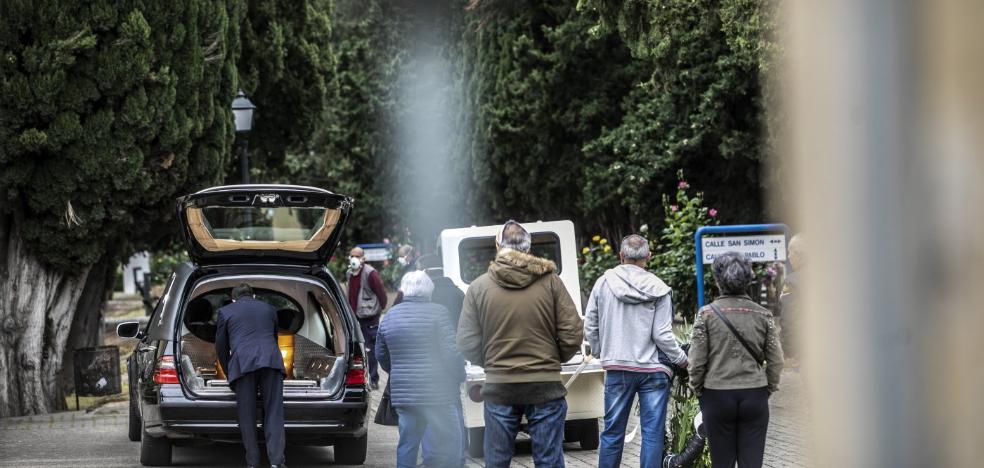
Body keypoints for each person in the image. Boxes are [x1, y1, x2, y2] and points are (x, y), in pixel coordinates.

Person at [457, 220, 583, 468]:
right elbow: (572, 332)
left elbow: (466, 341)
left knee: (497, 461)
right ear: (529, 247)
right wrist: (552, 360)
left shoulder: (479, 287)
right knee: (549, 461)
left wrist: (492, 362)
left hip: (500, 388)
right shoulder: (551, 282)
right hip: (545, 387)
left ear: (498, 246)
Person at [584, 234, 688, 468]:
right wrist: (682, 360)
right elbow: (662, 335)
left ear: (621, 256)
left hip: (618, 368)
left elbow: (590, 324)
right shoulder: (659, 288)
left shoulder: (603, 283)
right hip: (653, 371)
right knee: (652, 434)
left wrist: (602, 351)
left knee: (612, 433)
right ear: (648, 257)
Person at [688, 252, 784, 468]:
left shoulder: (706, 315)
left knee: (722, 463)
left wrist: (697, 388)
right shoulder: (763, 315)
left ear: (717, 279)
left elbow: (696, 362)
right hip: (754, 394)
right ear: (748, 278)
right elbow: (776, 360)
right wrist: (768, 387)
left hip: (716, 395)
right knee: (752, 462)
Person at [376, 271, 465, 468]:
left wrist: (398, 370)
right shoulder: (439, 312)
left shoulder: (390, 315)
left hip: (404, 395)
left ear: (404, 290)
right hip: (437, 394)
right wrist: (460, 374)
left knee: (408, 443)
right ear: (429, 291)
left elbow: (380, 355)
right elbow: (451, 352)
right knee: (451, 440)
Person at [214, 283, 287, 468]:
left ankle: (253, 463)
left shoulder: (226, 311)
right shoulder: (270, 309)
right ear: (253, 296)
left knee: (247, 415)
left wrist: (230, 372)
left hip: (243, 364)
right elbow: (273, 337)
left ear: (233, 299)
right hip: (271, 361)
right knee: (274, 412)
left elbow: (221, 347)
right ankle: (277, 462)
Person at [347, 246, 388, 390]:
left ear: (363, 258)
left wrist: (378, 309)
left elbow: (382, 294)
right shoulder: (350, 273)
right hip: (355, 318)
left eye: (357, 256)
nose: (354, 258)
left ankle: (373, 380)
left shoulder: (370, 273)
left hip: (369, 318)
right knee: (358, 350)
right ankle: (360, 379)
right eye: (352, 255)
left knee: (370, 350)